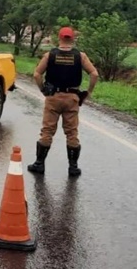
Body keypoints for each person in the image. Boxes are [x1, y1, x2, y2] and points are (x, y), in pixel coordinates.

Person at [27, 26, 99, 177]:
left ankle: (39, 164)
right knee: (72, 132)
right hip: (72, 97)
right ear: (72, 38)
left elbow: (37, 74)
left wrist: (42, 90)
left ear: (59, 38)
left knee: (47, 130)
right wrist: (89, 92)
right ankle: (73, 168)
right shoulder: (80, 56)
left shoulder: (50, 55)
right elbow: (94, 74)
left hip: (53, 97)